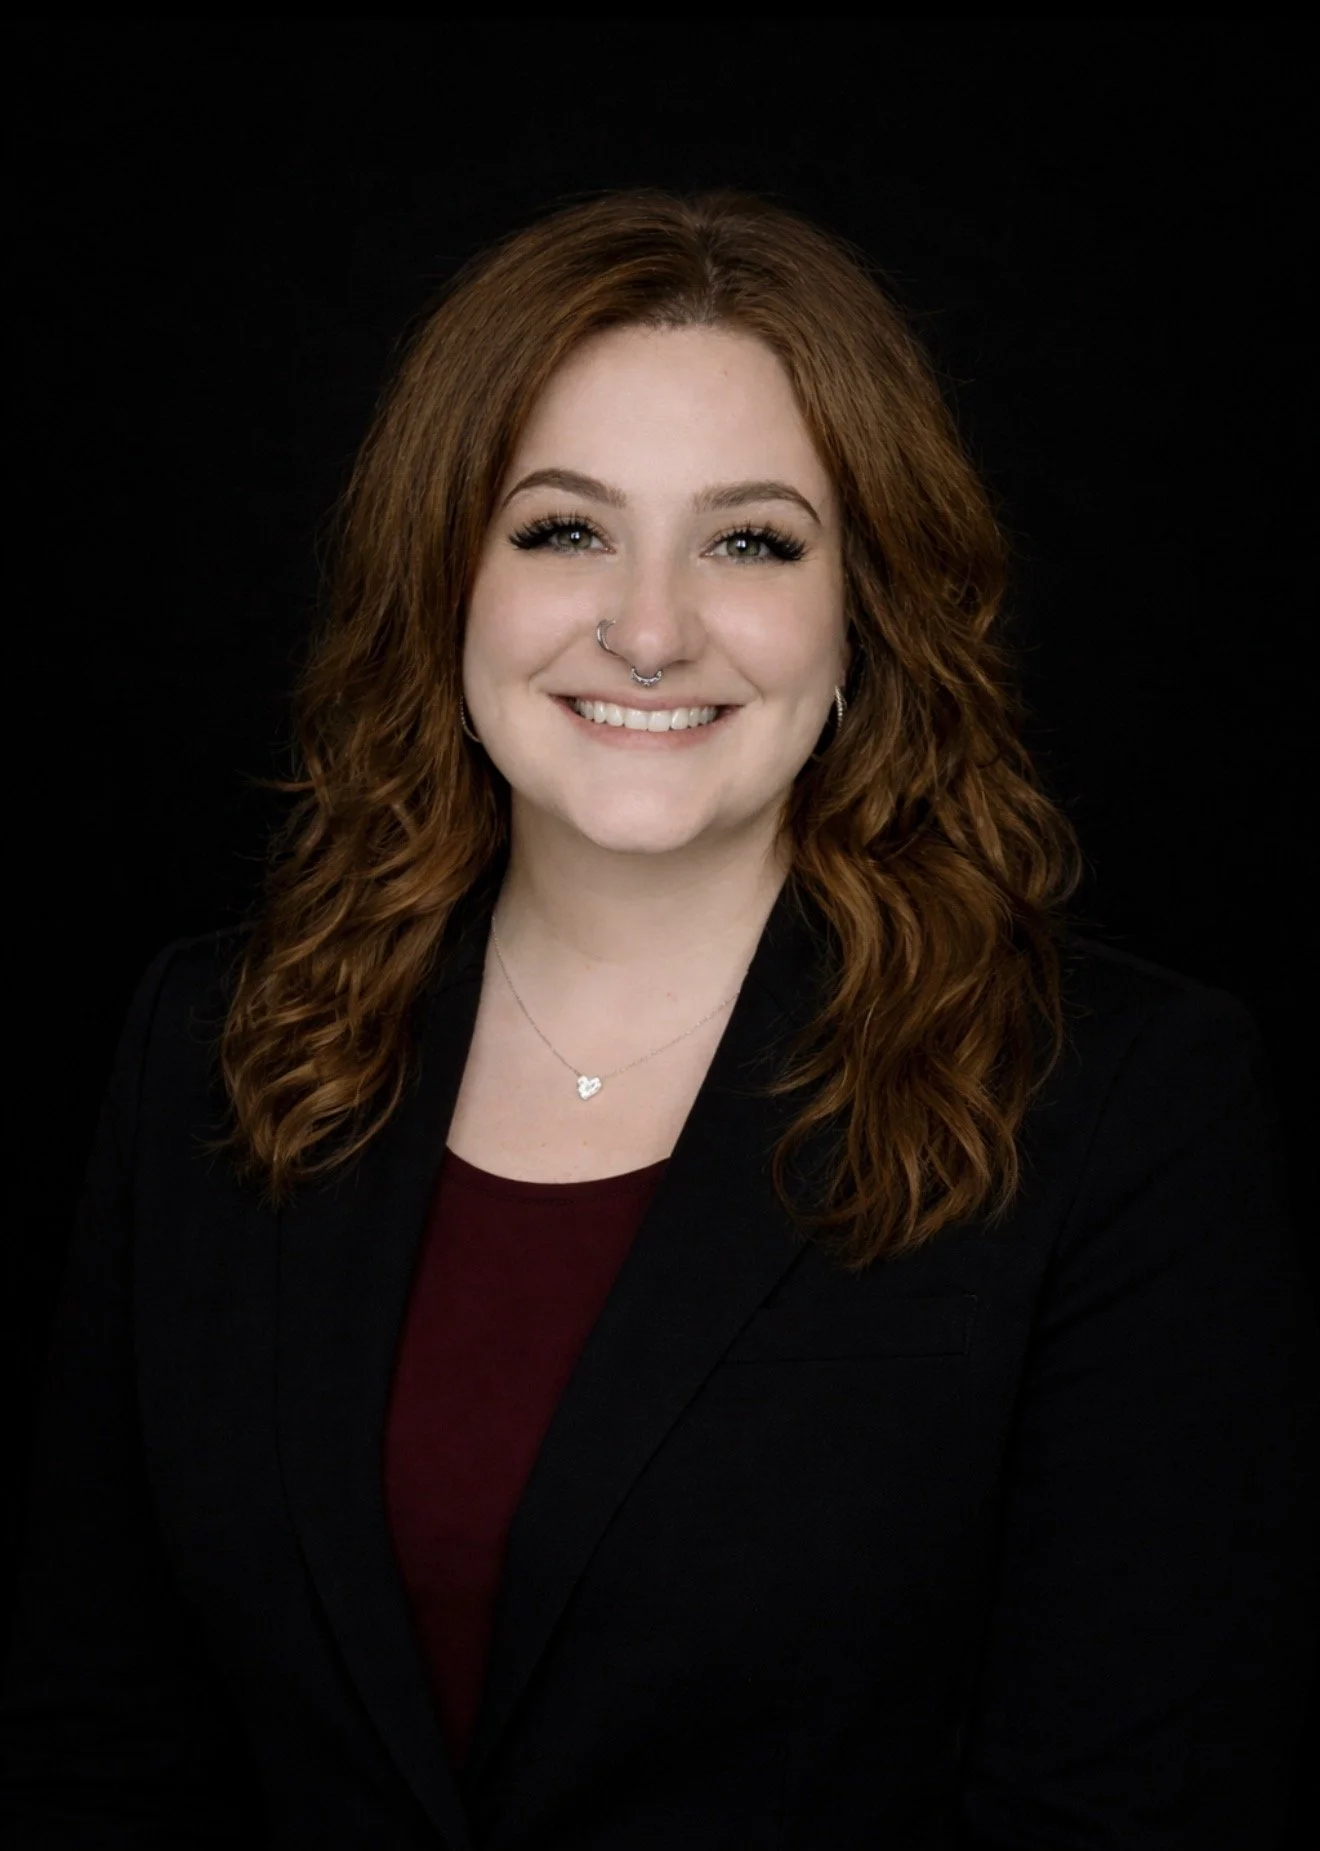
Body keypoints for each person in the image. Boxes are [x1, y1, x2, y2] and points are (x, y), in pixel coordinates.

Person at [3, 187, 1317, 1850]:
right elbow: (95, 1741)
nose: (647, 624)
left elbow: (1129, 1813)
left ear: (867, 607)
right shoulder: (210, 1044)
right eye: (564, 529)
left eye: (751, 539)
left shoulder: (1125, 1108)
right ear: (447, 579)